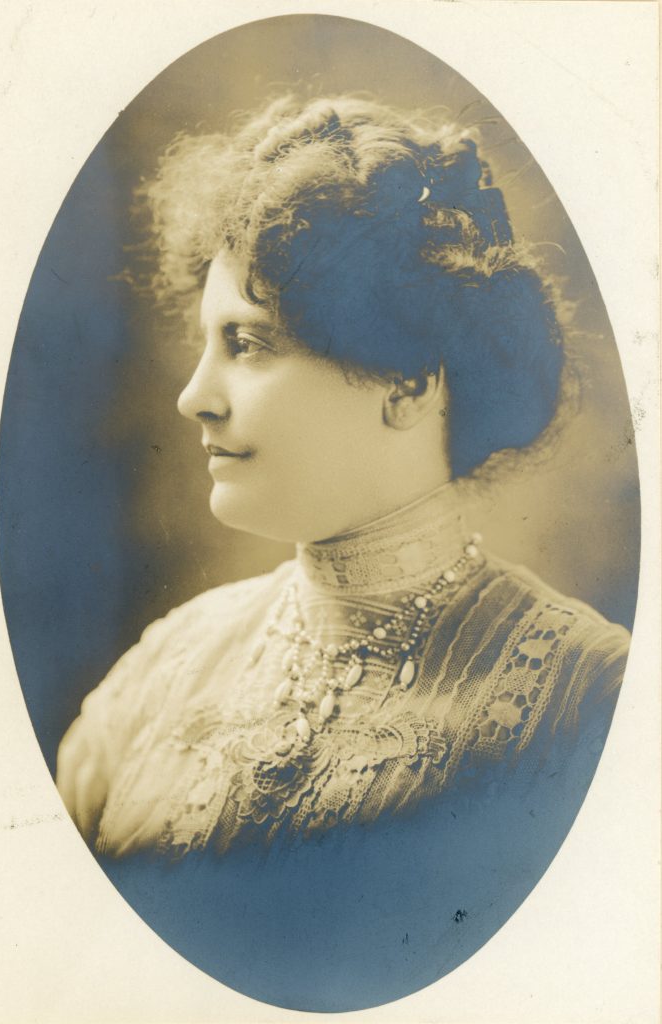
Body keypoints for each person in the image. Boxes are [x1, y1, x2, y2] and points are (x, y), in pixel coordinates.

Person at [56, 94, 630, 1011]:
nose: (193, 397)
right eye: (206, 345)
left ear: (407, 378)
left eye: (245, 344)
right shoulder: (163, 669)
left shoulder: (591, 700)